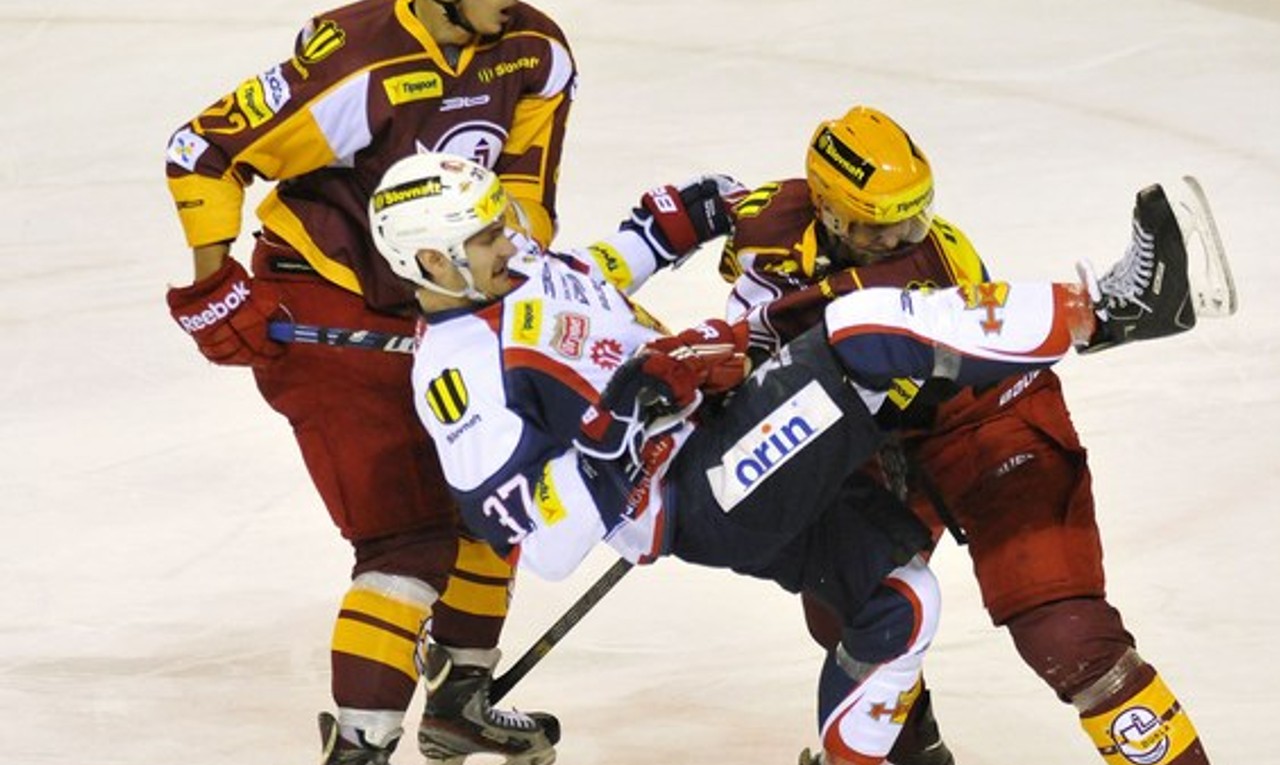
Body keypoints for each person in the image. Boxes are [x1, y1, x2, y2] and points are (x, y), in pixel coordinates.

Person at [366, 151, 1201, 765]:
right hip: (689, 492)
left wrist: (675, 220)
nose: (514, 239)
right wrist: (625, 412)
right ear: (431, 263)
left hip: (718, 435)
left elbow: (599, 273)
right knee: (855, 335)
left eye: (504, 219)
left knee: (896, 601)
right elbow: (537, 540)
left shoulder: (515, 269)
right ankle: (1111, 310)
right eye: (486, 235)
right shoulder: (459, 374)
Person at [720, 105, 1215, 765]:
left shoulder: (931, 263)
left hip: (985, 417)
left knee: (1065, 632)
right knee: (851, 608)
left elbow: (925, 350)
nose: (905, 236)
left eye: (914, 215)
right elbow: (751, 303)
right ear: (830, 215)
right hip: (867, 433)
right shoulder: (769, 229)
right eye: (882, 225)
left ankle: (1119, 305)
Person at [161, 1, 575, 762]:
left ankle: (460, 699)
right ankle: (360, 745)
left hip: (445, 303)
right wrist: (214, 283)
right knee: (407, 537)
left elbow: (523, 194)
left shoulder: (534, 51)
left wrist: (509, 294)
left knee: (497, 493)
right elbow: (204, 152)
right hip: (330, 303)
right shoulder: (360, 61)